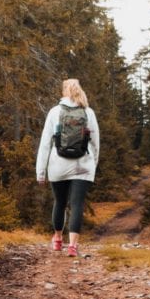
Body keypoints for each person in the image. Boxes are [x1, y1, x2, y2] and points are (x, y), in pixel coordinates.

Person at [36, 79, 101, 257]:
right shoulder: (88, 112)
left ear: (65, 91)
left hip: (58, 166)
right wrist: (93, 164)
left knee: (60, 202)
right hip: (83, 165)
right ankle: (72, 246)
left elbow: (45, 144)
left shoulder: (54, 112)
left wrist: (41, 172)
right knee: (77, 204)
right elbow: (95, 143)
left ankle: (58, 240)